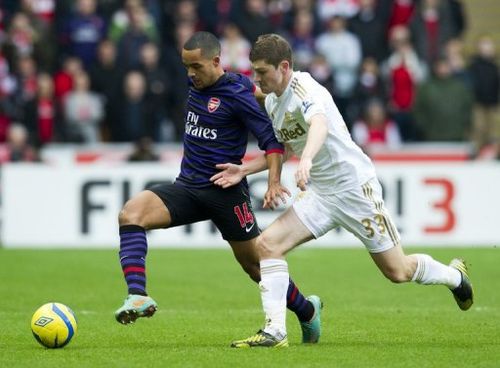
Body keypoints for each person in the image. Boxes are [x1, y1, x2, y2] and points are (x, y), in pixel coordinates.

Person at [210, 34, 474, 348]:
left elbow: (318, 123)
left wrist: (307, 158)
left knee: (397, 270)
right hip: (321, 194)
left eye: (263, 72)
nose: (258, 79)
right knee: (267, 245)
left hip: (354, 189)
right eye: (255, 72)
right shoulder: (272, 101)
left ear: (283, 67)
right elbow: (283, 146)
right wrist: (244, 169)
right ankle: (275, 331)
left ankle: (454, 276)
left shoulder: (305, 87)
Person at [114, 32, 322, 346]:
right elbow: (245, 86)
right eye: (186, 67)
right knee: (131, 214)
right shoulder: (197, 84)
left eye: (196, 66)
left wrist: (273, 181)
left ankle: (307, 311)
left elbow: (272, 144)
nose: (190, 74)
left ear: (215, 61)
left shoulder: (238, 94)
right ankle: (137, 295)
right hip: (187, 187)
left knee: (255, 266)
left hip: (226, 192)